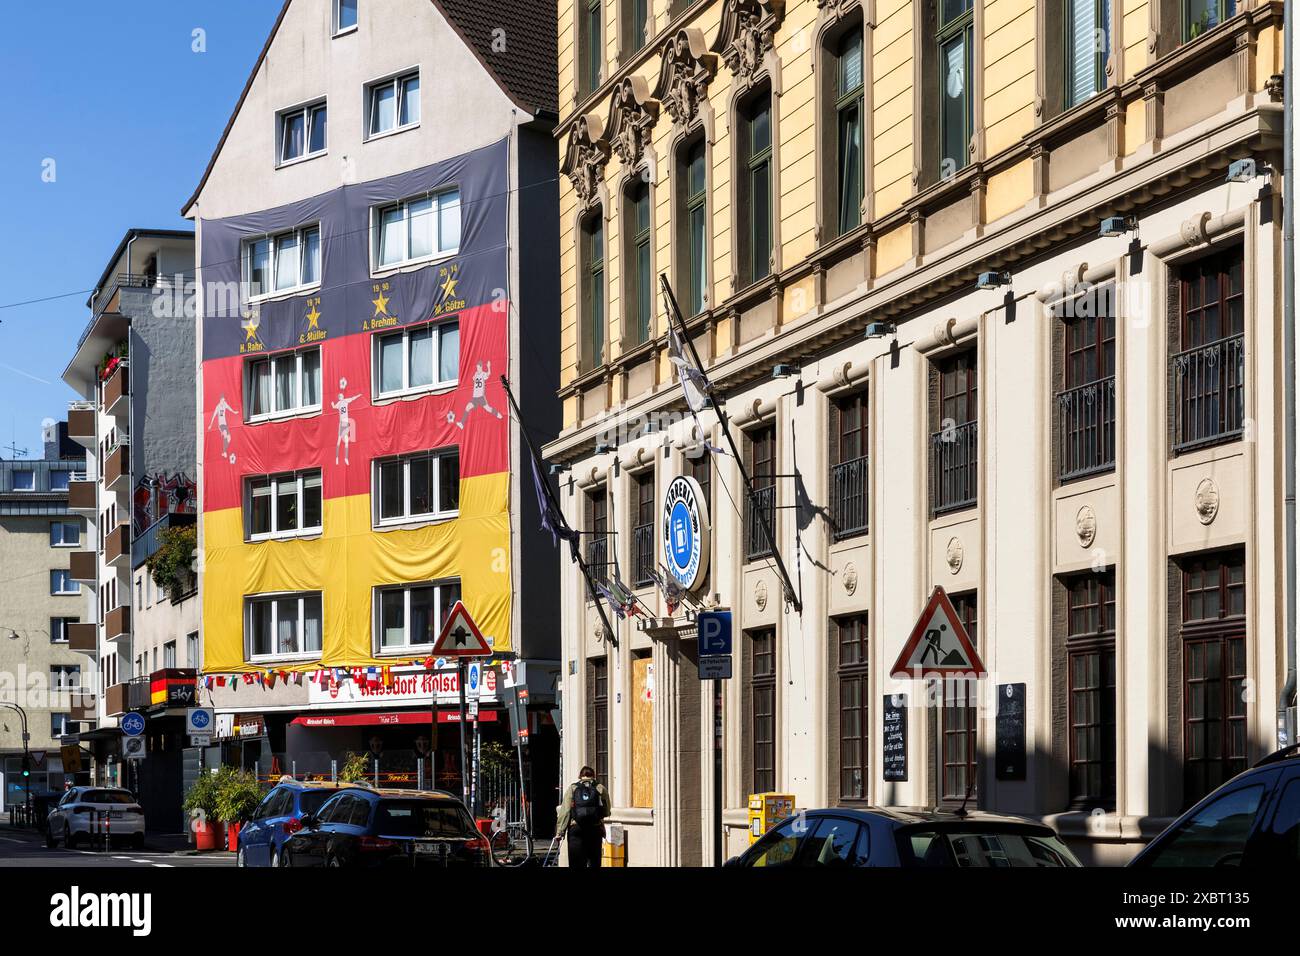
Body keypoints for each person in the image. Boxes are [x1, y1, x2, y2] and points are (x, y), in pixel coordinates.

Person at [556, 766, 611, 867]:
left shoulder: (573, 788)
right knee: (594, 862)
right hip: (594, 829)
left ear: (580, 776)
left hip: (576, 828)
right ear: (593, 775)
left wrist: (560, 831)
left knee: (576, 862)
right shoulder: (600, 788)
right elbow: (607, 811)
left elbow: (565, 811)